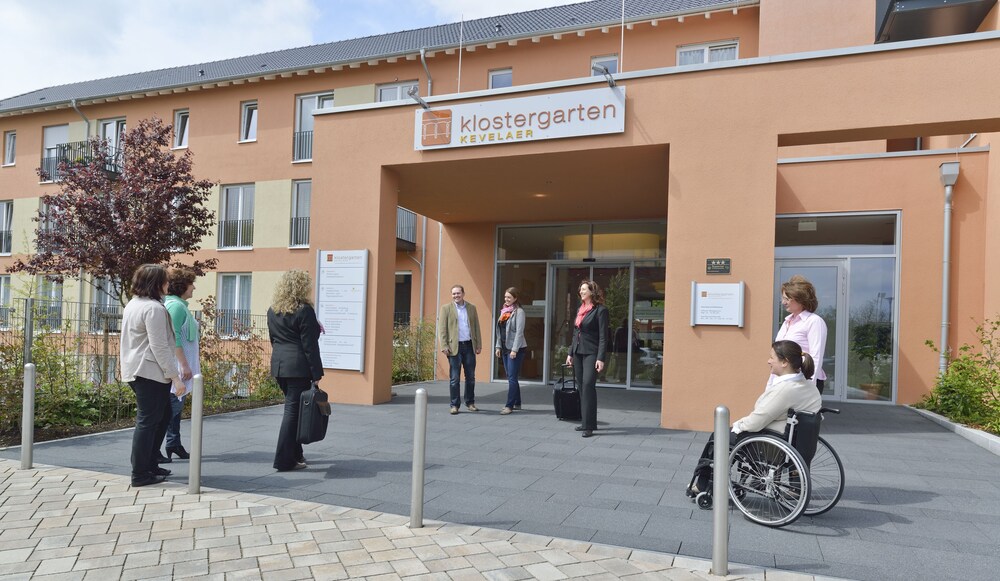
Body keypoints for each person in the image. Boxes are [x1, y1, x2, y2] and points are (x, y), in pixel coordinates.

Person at [687, 340, 822, 496]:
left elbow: (757, 421)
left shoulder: (785, 389)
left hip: (773, 445)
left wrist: (738, 425)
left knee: (719, 436)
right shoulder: (809, 386)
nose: (768, 361)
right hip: (798, 441)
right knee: (728, 434)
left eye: (772, 357)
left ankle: (703, 485)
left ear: (784, 362)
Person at [120, 264, 186, 487]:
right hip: (149, 371)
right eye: (165, 281)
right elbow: (159, 346)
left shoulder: (133, 304)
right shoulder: (154, 309)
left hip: (137, 369)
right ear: (156, 283)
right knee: (148, 422)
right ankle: (140, 473)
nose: (168, 284)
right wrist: (175, 377)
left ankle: (150, 463)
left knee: (163, 415)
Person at [267, 269, 325, 472]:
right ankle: (284, 461)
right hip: (298, 368)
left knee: (296, 410)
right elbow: (310, 345)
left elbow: (273, 339)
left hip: (279, 366)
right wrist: (316, 374)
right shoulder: (304, 310)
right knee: (292, 413)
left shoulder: (273, 310)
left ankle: (296, 454)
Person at [161, 267, 199, 461]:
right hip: (178, 367)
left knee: (175, 408)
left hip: (181, 365)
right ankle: (155, 450)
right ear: (183, 285)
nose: (194, 287)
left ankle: (174, 443)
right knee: (171, 410)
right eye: (191, 283)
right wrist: (183, 365)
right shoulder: (175, 306)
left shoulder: (177, 305)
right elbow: (173, 337)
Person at [565, 280, 608, 438]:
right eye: (580, 289)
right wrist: (570, 353)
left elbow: (603, 337)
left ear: (592, 291)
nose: (581, 292)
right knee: (582, 387)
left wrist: (600, 358)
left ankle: (588, 426)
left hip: (592, 353)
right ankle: (587, 422)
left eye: (584, 289)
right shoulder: (580, 309)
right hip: (578, 352)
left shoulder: (601, 310)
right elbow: (576, 333)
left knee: (588, 385)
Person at [775, 275, 828, 395]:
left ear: (800, 299)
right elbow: (778, 356)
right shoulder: (787, 322)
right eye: (783, 298)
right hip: (784, 380)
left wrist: (809, 387)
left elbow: (816, 357)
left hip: (803, 382)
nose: (783, 302)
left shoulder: (814, 321)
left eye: (787, 299)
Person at [438, 284, 482, 415]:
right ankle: (454, 405)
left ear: (463, 294)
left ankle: (470, 402)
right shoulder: (446, 308)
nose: (456, 295)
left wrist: (478, 344)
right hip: (454, 348)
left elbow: (476, 327)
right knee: (454, 378)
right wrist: (444, 346)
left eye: (458, 293)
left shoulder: (472, 308)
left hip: (469, 346)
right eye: (453, 293)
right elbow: (442, 329)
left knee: (471, 377)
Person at [495, 287, 527, 415]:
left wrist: (514, 350)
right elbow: (499, 331)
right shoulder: (504, 311)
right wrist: (498, 346)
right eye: (505, 297)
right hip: (504, 347)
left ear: (515, 298)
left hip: (516, 349)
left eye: (509, 297)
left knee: (512, 377)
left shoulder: (519, 312)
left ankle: (509, 406)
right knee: (510, 376)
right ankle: (517, 402)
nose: (506, 299)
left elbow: (519, 332)